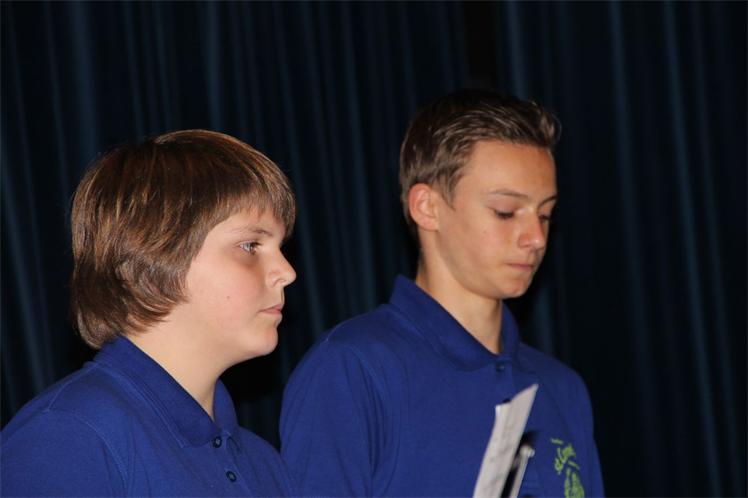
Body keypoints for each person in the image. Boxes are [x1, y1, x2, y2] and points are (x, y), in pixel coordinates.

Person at [280, 90, 604, 497]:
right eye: (506, 212)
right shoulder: (353, 369)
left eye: (545, 214)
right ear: (427, 207)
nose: (536, 237)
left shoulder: (562, 388)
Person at [2, 130, 298, 496]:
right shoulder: (68, 440)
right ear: (150, 261)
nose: (287, 271)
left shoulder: (263, 463)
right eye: (250, 246)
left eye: (280, 247)